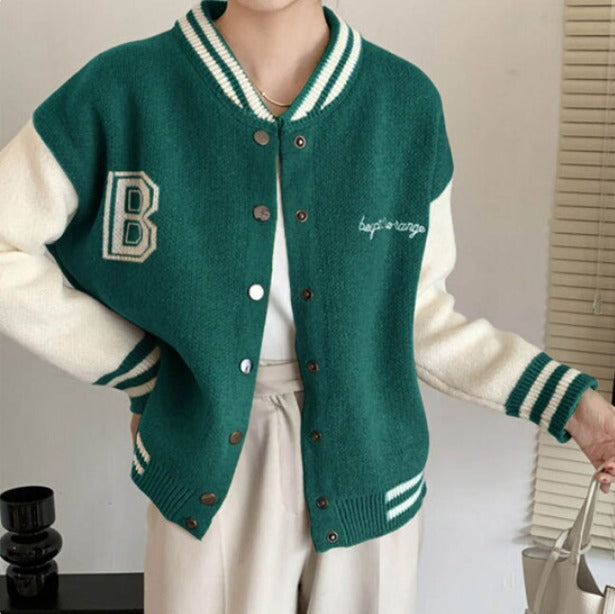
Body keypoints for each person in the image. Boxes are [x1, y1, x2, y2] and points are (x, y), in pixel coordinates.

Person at [2, 1, 615, 613]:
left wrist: (575, 407)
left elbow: (416, 319)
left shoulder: (403, 105)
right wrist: (142, 368)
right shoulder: (122, 91)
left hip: (370, 470)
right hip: (204, 462)